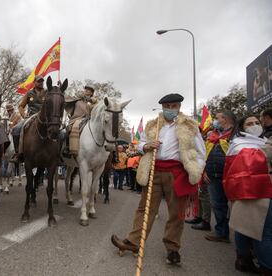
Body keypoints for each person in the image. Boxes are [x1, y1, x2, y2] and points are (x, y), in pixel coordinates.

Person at [111, 93, 206, 265]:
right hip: (154, 170)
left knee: (176, 213)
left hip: (177, 173)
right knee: (145, 209)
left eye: (174, 106)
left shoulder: (190, 126)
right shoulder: (153, 125)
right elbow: (139, 144)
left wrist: (196, 171)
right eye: (167, 107)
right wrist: (146, 146)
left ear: (179, 107)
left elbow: (201, 153)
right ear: (162, 108)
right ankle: (133, 243)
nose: (170, 110)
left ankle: (172, 249)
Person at [223, 115, 272, 274]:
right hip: (253, 191)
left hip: (256, 191)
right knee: (261, 231)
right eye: (249, 124)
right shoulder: (239, 144)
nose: (255, 125)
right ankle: (267, 266)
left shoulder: (264, 141)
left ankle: (243, 260)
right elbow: (253, 160)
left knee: (245, 227)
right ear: (242, 129)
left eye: (257, 123)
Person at [11, 75, 46, 163]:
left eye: (42, 81)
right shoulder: (29, 93)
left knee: (57, 130)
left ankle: (58, 155)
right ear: (34, 82)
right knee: (16, 129)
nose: (41, 83)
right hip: (31, 116)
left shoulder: (47, 92)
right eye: (39, 81)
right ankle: (17, 154)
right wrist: (24, 115)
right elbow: (21, 106)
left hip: (45, 118)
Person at [64, 85, 97, 156]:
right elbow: (66, 99)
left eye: (89, 90)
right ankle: (67, 147)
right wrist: (62, 89)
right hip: (75, 119)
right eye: (86, 90)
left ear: (91, 93)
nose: (86, 91)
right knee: (68, 129)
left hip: (88, 120)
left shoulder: (93, 102)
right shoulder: (77, 99)